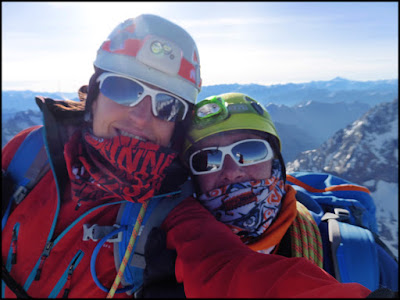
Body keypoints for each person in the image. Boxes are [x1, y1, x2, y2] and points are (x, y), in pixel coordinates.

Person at [2, 14, 201, 298]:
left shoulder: (174, 212)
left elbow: (230, 269)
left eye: (167, 106)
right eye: (124, 89)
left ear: (177, 128)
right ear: (94, 96)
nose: (142, 117)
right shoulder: (29, 151)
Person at [144, 92, 398, 298]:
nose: (232, 172)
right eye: (208, 160)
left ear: (277, 162)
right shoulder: (156, 255)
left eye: (250, 151)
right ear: (192, 177)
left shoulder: (358, 256)